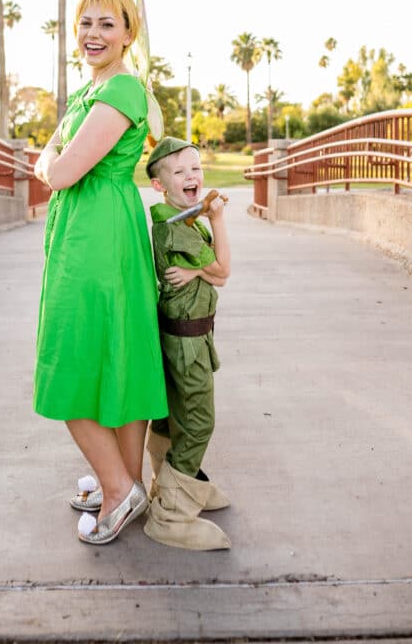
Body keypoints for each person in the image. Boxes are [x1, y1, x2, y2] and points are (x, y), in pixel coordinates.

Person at [33, 0, 168, 546]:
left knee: (70, 362)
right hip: (96, 232)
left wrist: (49, 162)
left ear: (128, 33)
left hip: (98, 240)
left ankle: (118, 489)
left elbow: (58, 169)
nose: (92, 32)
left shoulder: (121, 90)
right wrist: (52, 158)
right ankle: (125, 482)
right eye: (85, 22)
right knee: (116, 355)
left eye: (106, 23)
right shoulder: (94, 90)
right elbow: (55, 158)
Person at [143, 137, 232, 550]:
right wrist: (218, 219)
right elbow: (225, 271)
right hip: (187, 340)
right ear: (160, 186)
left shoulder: (177, 219)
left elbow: (212, 275)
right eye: (178, 172)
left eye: (195, 168)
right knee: (198, 421)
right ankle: (173, 512)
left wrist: (200, 274)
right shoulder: (181, 230)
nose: (191, 176)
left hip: (184, 333)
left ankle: (170, 481)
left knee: (174, 415)